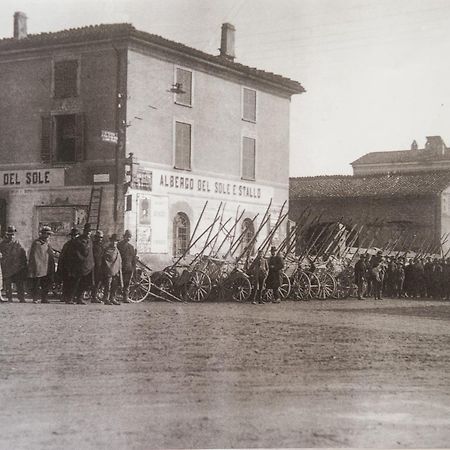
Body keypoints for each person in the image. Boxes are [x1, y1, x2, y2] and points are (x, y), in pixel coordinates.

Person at [28, 226, 55, 304]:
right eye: (47, 234)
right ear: (43, 234)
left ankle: (44, 298)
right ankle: (35, 298)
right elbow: (35, 256)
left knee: (46, 283)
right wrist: (36, 266)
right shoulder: (37, 243)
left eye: (49, 235)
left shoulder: (48, 243)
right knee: (36, 283)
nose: (48, 236)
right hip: (39, 267)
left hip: (47, 267)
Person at [0, 226, 27, 302]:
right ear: (6, 234)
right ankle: (10, 298)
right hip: (7, 266)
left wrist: (24, 263)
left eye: (12, 234)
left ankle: (21, 298)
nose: (11, 236)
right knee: (8, 284)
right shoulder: (2, 244)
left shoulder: (18, 243)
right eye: (9, 234)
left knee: (19, 283)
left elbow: (23, 253)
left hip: (17, 266)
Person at [72, 223, 95, 305]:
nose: (89, 233)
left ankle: (80, 298)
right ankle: (71, 298)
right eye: (87, 231)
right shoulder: (78, 240)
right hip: (80, 265)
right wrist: (82, 260)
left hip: (88, 266)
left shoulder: (90, 241)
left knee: (84, 283)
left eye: (90, 232)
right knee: (76, 282)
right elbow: (76, 253)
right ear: (84, 231)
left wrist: (91, 263)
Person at [57, 227, 80, 304]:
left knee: (74, 283)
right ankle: (67, 298)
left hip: (76, 267)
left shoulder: (80, 245)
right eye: (73, 235)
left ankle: (70, 297)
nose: (74, 237)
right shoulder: (67, 244)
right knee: (67, 282)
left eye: (75, 235)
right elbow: (62, 256)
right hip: (67, 266)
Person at [102, 234, 122, 305]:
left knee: (115, 285)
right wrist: (109, 269)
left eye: (116, 241)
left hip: (116, 271)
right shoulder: (107, 250)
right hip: (109, 270)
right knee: (108, 285)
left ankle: (112, 298)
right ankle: (106, 298)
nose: (114, 243)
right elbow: (106, 260)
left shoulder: (117, 250)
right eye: (113, 241)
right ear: (111, 241)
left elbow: (119, 260)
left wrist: (118, 269)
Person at [117, 229, 136, 304]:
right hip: (120, 267)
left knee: (127, 283)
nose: (128, 238)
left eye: (129, 237)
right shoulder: (119, 245)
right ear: (124, 236)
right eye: (127, 236)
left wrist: (133, 269)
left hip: (129, 267)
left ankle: (125, 297)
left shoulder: (131, 247)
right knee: (117, 282)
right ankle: (114, 296)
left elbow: (134, 259)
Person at [91, 230, 105, 303]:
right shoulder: (93, 245)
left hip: (100, 266)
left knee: (98, 281)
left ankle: (95, 295)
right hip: (94, 265)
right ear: (95, 238)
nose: (100, 239)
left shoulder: (101, 246)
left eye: (101, 238)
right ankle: (93, 296)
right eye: (98, 237)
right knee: (94, 281)